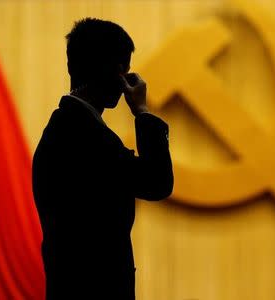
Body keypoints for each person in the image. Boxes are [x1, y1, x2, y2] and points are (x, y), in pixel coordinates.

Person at [32, 18, 173, 300]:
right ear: (117, 71)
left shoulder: (65, 126)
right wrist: (142, 111)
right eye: (125, 68)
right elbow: (157, 182)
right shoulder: (86, 135)